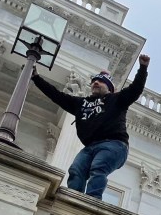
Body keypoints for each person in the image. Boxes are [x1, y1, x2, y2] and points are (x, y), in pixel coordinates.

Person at [31, 54, 149, 198]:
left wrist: (142, 68)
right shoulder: (81, 103)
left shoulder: (117, 99)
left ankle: (91, 201)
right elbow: (56, 95)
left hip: (114, 144)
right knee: (76, 169)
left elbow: (135, 89)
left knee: (98, 168)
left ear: (110, 88)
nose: (96, 83)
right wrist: (36, 78)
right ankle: (74, 199)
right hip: (90, 147)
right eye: (94, 81)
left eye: (101, 82)